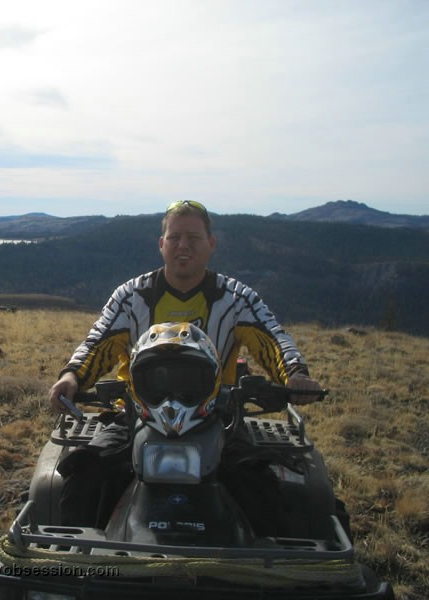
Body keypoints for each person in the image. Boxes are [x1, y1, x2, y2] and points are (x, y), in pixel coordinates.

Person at [47, 200, 323, 534]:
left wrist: (295, 375)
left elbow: (272, 339)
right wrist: (72, 376)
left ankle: (272, 576)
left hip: (216, 419)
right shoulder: (131, 297)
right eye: (175, 237)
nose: (183, 245)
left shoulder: (236, 299)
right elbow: (98, 341)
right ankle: (75, 570)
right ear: (161, 244)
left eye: (193, 237)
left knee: (260, 487)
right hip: (137, 416)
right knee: (86, 476)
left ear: (212, 244)